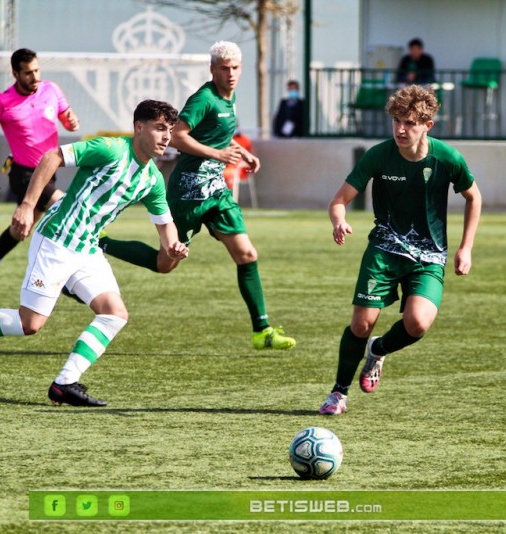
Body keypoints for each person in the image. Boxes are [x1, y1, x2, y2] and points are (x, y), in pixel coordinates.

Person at [0, 100, 188, 407]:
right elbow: (51, 157)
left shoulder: (152, 179)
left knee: (115, 313)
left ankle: (64, 384)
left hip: (87, 248)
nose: (167, 137)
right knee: (29, 324)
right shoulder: (111, 149)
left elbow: (167, 230)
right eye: (160, 128)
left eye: (170, 130)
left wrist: (174, 247)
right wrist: (28, 205)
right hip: (56, 240)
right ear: (139, 127)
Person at [100, 41, 296, 351]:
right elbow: (177, 136)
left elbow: (217, 134)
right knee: (165, 264)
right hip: (188, 192)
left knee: (246, 254)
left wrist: (242, 152)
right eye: (223, 68)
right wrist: (217, 154)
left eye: (234, 68)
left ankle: (262, 331)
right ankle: (103, 242)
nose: (230, 74)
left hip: (216, 192)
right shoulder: (204, 98)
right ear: (212, 69)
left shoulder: (228, 100)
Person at [318, 85, 482, 415]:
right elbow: (339, 201)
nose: (400, 129)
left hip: (429, 256)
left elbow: (473, 197)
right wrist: (339, 220)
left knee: (418, 323)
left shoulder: (447, 159)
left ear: (428, 125)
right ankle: (338, 393)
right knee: (361, 325)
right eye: (396, 121)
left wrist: (466, 248)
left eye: (409, 122)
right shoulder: (379, 154)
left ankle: (378, 351)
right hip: (384, 250)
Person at [0, 48, 80, 301]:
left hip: (49, 173)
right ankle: (65, 280)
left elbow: (66, 116)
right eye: (28, 73)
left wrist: (72, 121)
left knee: (22, 230)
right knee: (65, 207)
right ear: (15, 73)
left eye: (37, 70)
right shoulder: (1, 101)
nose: (34, 76)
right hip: (24, 175)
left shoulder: (51, 89)